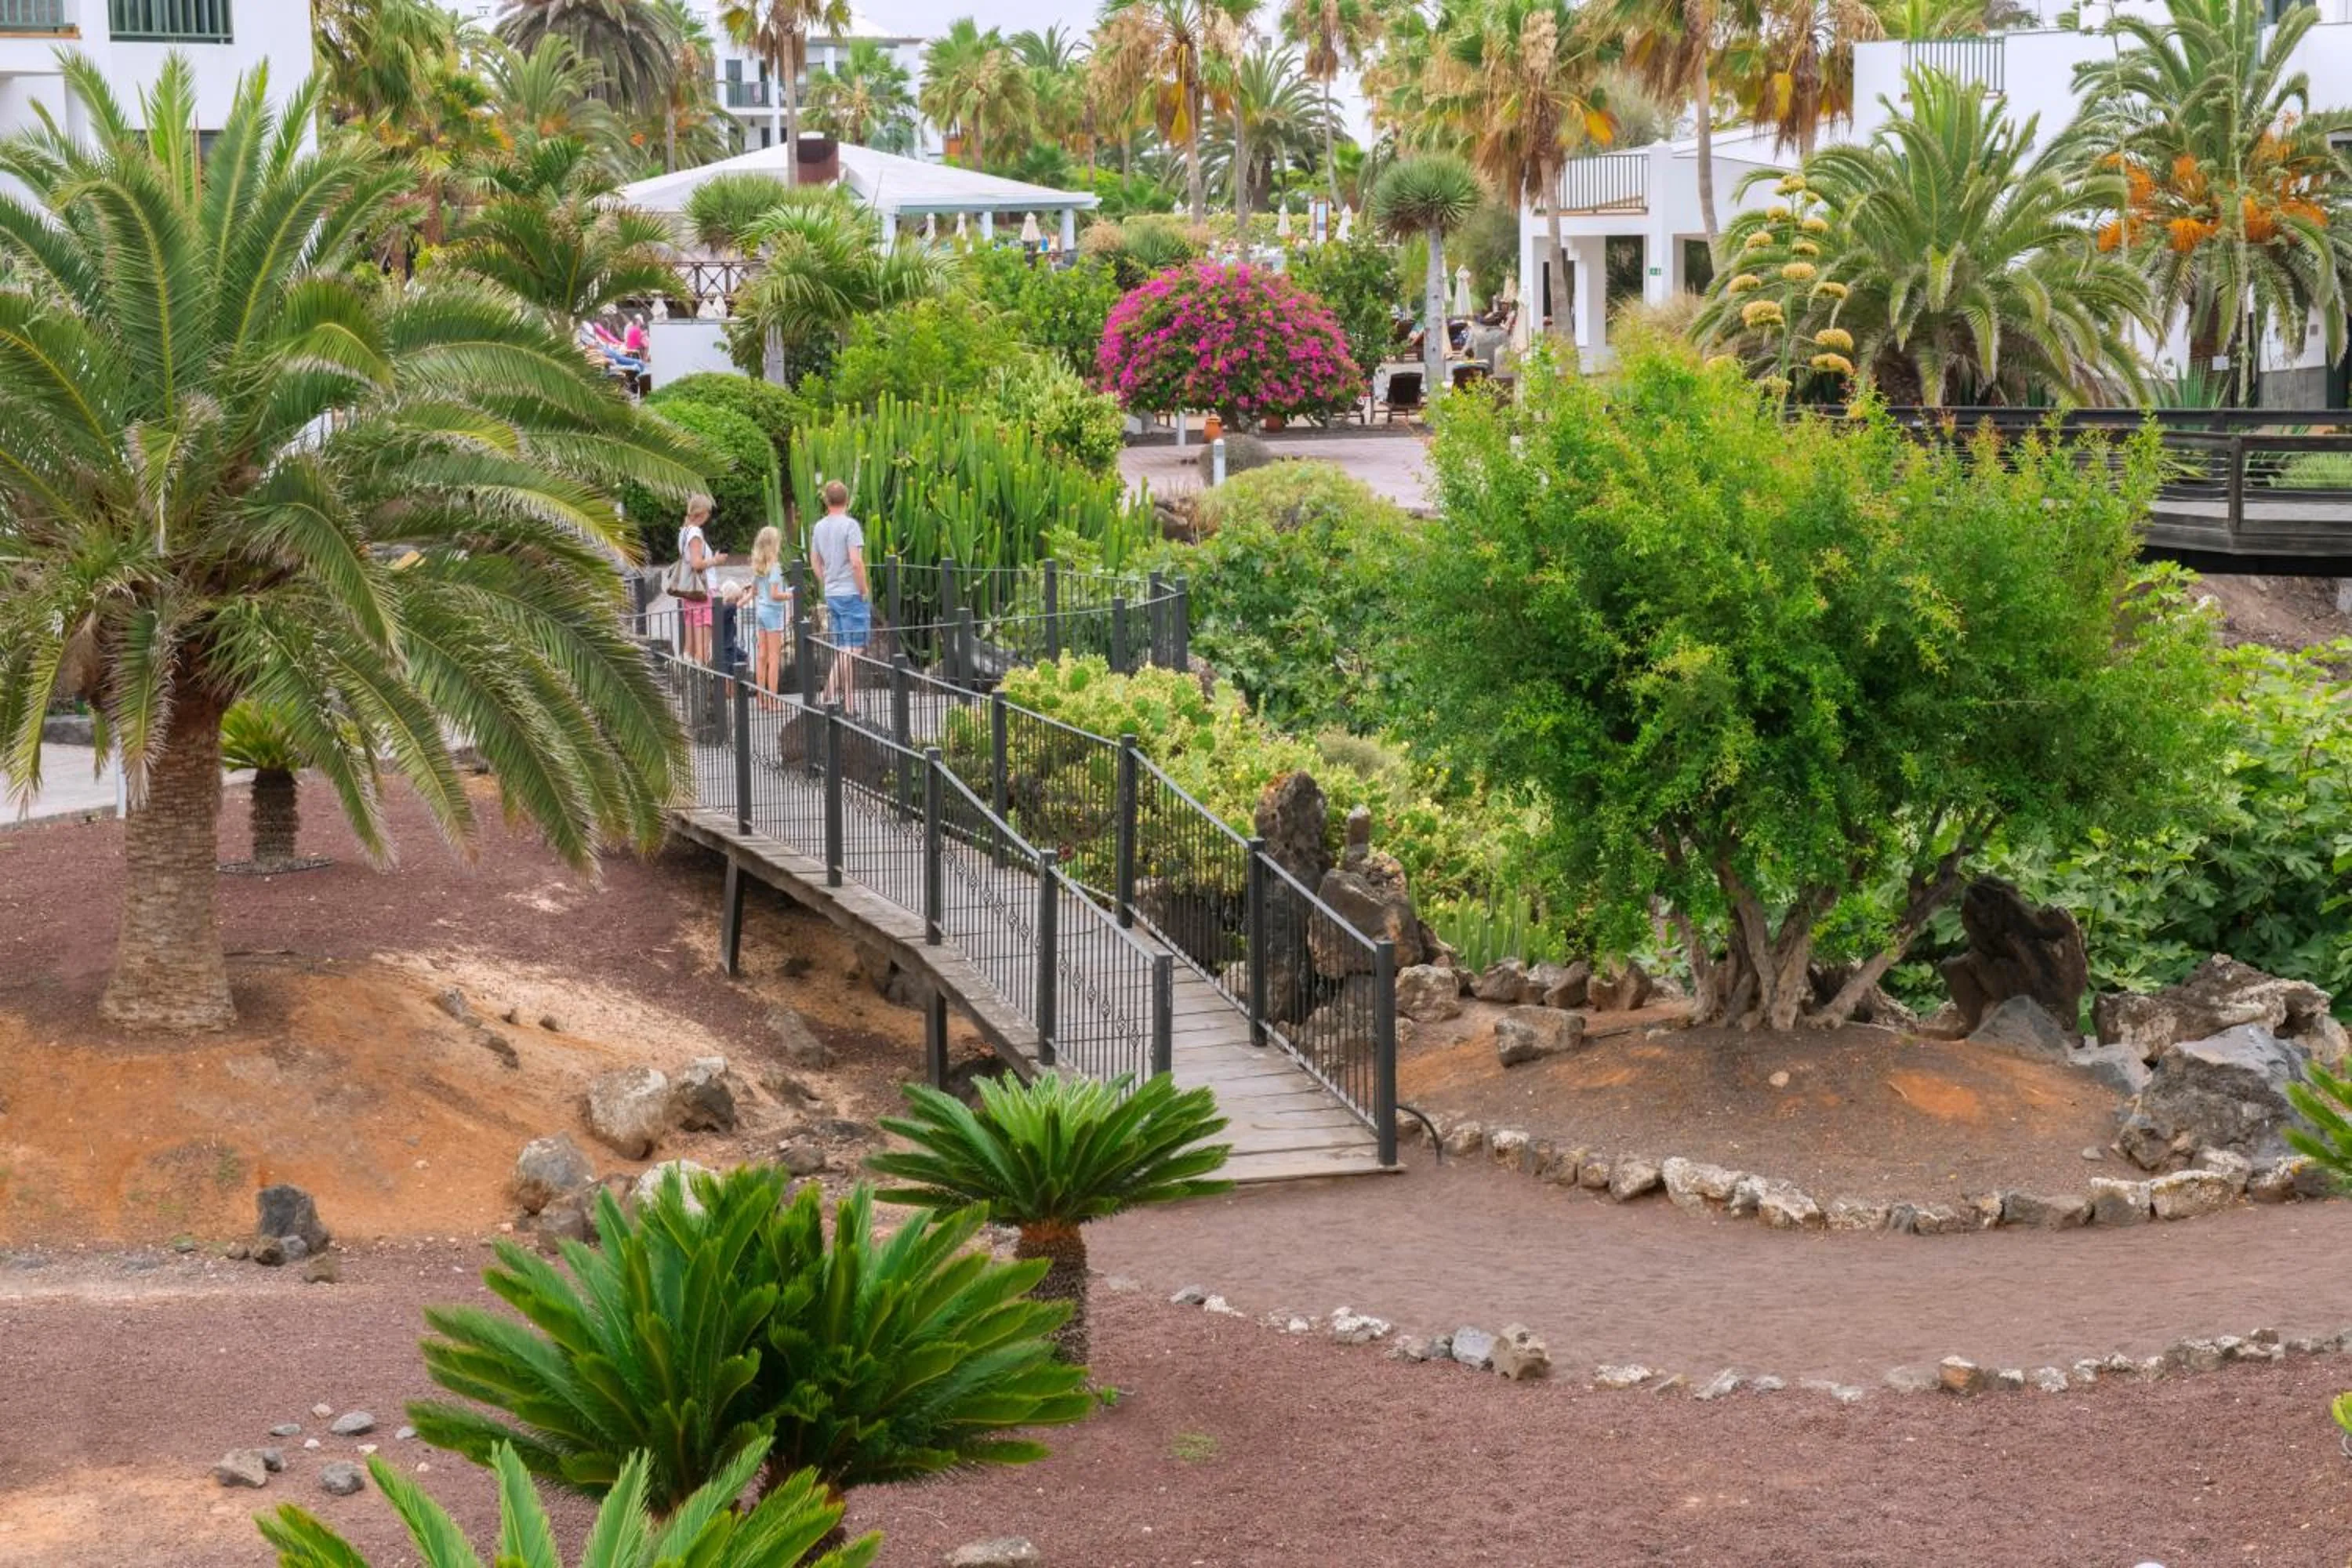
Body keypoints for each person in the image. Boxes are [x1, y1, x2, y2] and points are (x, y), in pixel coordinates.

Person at [809, 479, 869, 710]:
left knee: (844, 645)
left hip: (832, 593)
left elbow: (814, 559)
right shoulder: (850, 526)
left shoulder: (819, 527)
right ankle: (828, 691)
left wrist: (825, 580)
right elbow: (856, 561)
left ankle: (849, 704)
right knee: (856, 646)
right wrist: (863, 588)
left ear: (826, 501)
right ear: (846, 499)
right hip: (851, 592)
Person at [677, 495, 727, 666]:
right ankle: (702, 679)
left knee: (689, 644)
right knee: (703, 646)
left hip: (690, 591)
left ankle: (690, 674)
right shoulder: (695, 533)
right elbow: (697, 564)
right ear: (702, 513)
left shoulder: (683, 532)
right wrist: (716, 560)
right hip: (703, 591)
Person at [746, 524, 791, 709]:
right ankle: (773, 700)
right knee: (774, 658)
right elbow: (775, 594)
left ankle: (761, 698)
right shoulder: (775, 567)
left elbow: (755, 591)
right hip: (773, 613)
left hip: (761, 612)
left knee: (762, 656)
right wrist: (790, 594)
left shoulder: (758, 566)